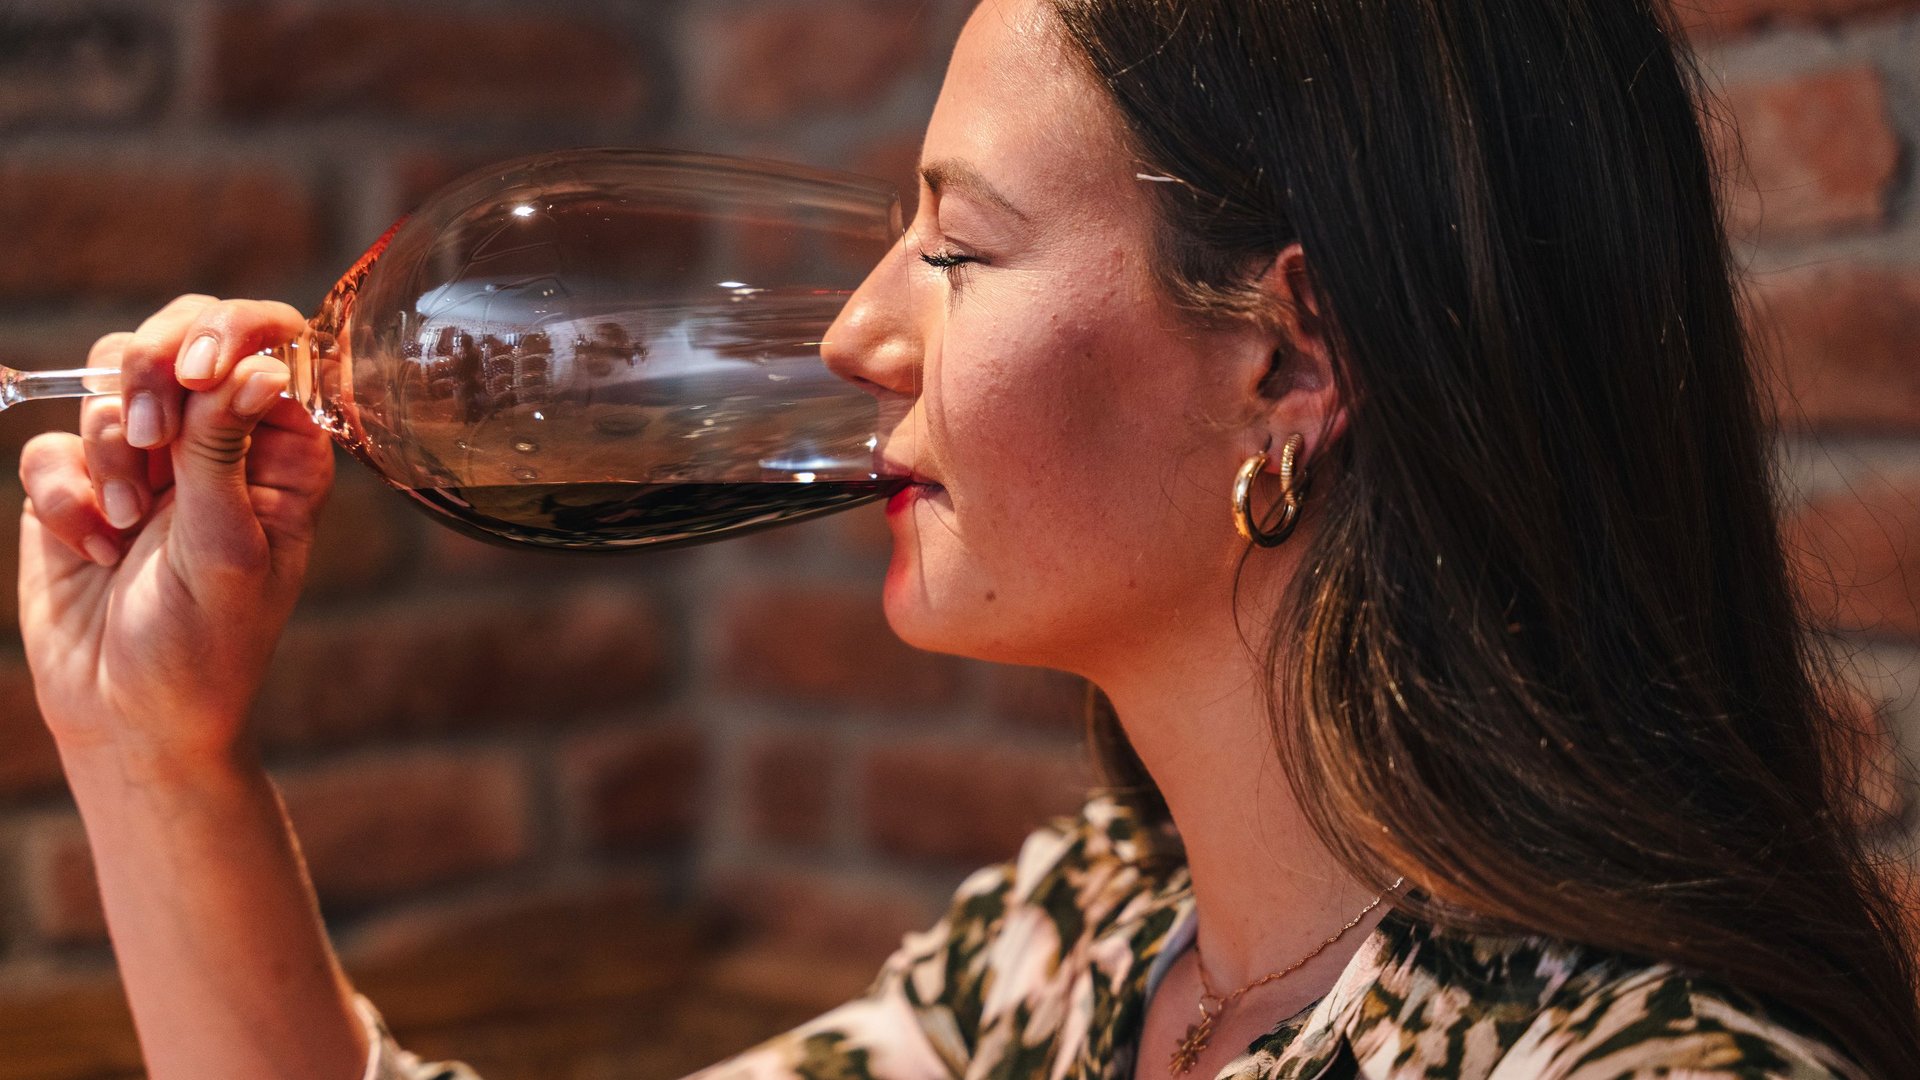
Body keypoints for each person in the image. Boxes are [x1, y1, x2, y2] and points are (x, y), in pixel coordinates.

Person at [15, 0, 1920, 1076]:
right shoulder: (1081, 951)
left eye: (958, 244)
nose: (857, 332)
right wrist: (153, 741)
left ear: (1289, 362)